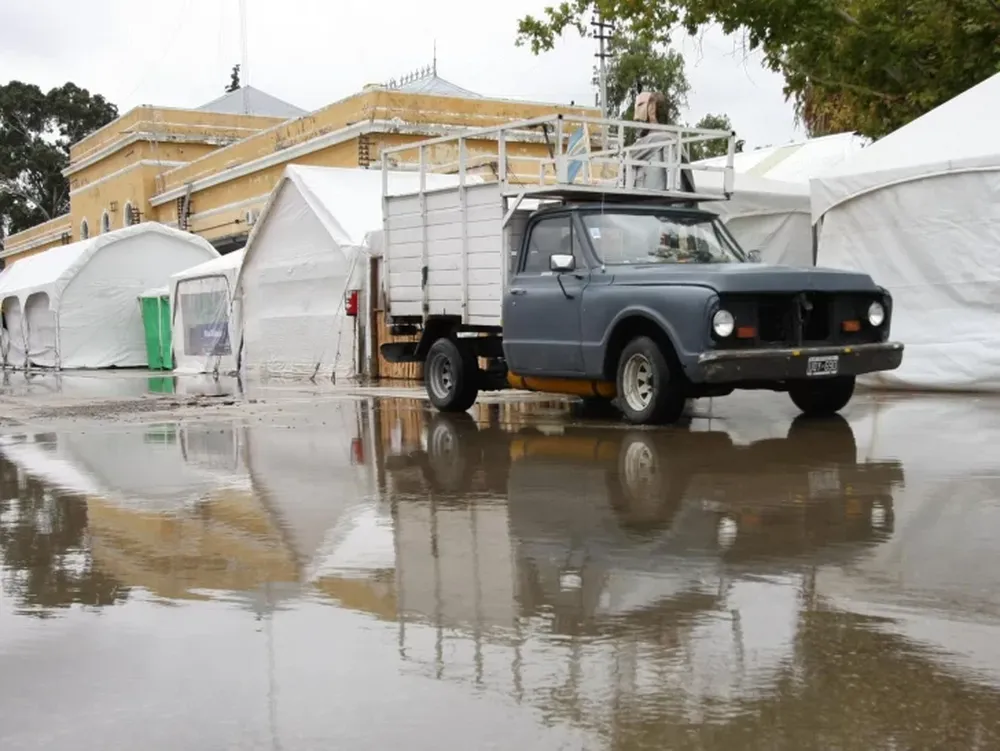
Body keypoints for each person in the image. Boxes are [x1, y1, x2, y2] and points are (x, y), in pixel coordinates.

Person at [629, 91, 696, 196]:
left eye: (641, 105)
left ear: (651, 109)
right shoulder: (675, 141)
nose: (636, 118)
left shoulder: (664, 143)